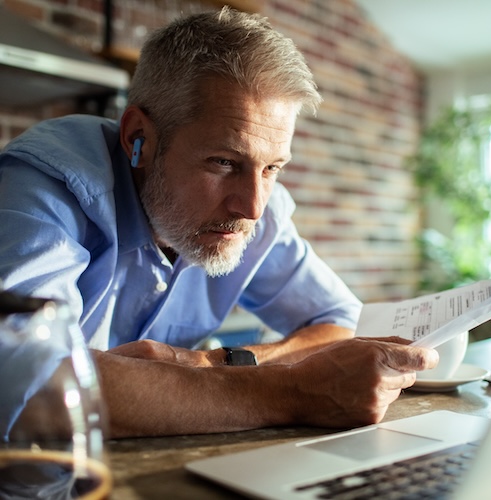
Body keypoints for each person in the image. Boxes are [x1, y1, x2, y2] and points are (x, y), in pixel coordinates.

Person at [0, 7, 437, 438]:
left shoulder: (261, 211)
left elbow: (342, 321)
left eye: (272, 168)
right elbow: (27, 384)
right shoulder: (41, 189)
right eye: (225, 162)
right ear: (139, 139)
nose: (251, 208)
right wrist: (293, 391)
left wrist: (219, 363)